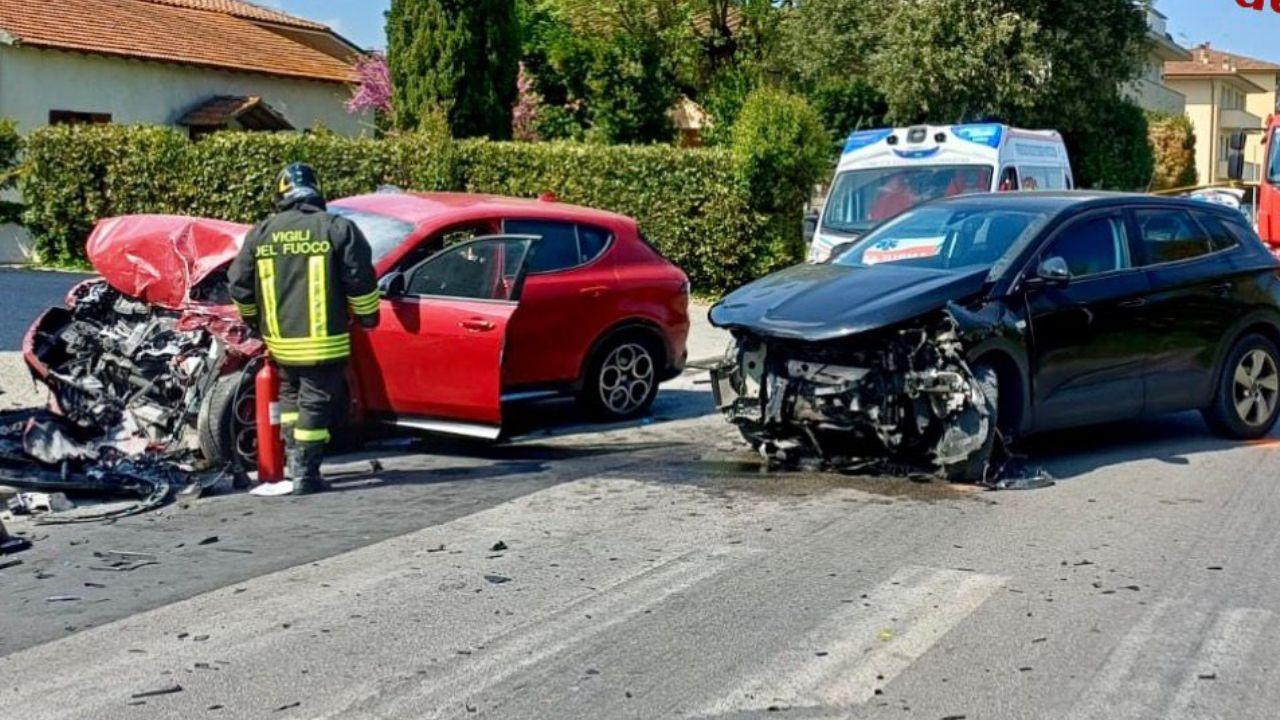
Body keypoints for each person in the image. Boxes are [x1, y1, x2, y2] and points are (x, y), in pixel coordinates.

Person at [228, 163, 381, 495]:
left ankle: (294, 463)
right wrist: (368, 315)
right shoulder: (337, 228)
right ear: (316, 189)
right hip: (323, 342)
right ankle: (306, 475)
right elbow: (360, 278)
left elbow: (239, 284)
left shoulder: (262, 232)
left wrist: (254, 320)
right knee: (315, 402)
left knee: (291, 398)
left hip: (281, 343)